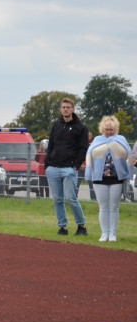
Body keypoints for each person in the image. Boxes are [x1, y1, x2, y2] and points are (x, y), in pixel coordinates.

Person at [45, 98, 89, 236]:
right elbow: (51, 145)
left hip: (69, 168)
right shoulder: (56, 125)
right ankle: (62, 227)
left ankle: (81, 226)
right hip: (53, 168)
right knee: (57, 200)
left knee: (71, 198)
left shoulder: (81, 128)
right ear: (60, 109)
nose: (65, 109)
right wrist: (47, 164)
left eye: (68, 107)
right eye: (63, 107)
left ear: (73, 109)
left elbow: (83, 149)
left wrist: (75, 166)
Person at [85, 115, 131, 242]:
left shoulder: (121, 139)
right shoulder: (97, 140)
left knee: (114, 206)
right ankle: (104, 233)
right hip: (99, 178)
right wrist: (88, 173)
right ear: (102, 129)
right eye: (106, 129)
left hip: (117, 178)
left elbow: (128, 154)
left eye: (111, 129)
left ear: (116, 128)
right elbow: (89, 155)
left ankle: (113, 234)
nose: (109, 132)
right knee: (103, 206)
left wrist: (128, 172)